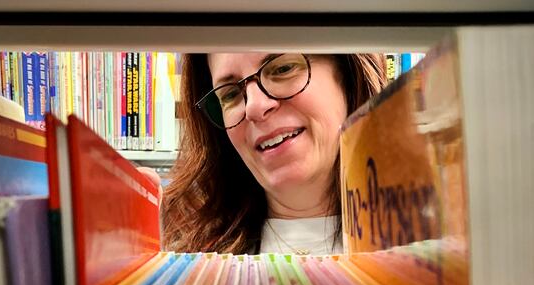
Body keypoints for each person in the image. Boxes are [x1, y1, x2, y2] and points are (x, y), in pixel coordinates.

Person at [151, 53, 386, 255]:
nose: (254, 106)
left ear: (347, 75)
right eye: (230, 94)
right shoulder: (185, 260)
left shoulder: (416, 247)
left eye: (283, 69)